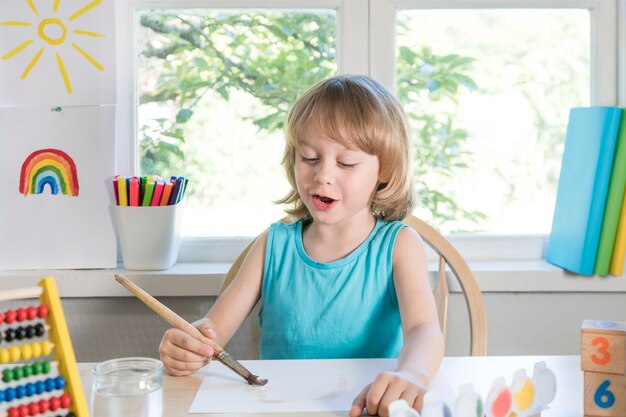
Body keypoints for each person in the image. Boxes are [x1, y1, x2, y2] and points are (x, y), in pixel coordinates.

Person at [158, 74, 444, 417]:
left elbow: (424, 329)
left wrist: (412, 374)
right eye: (309, 157)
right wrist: (188, 348)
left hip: (368, 407)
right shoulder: (272, 244)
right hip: (279, 408)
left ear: (386, 170)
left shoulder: (399, 245)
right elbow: (212, 333)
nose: (323, 175)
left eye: (346, 163)